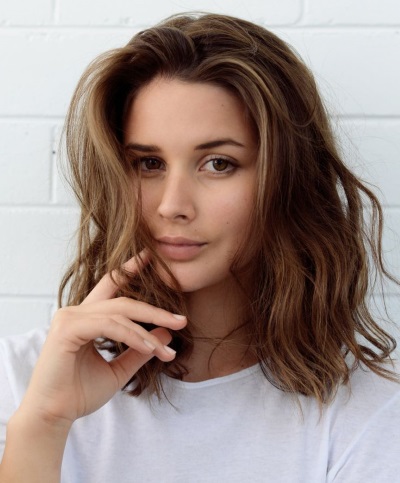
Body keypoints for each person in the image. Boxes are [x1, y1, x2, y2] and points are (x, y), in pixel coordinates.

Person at [0, 12, 399, 483]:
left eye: (218, 163)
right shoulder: (21, 379)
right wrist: (45, 423)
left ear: (286, 181)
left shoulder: (367, 407)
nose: (172, 206)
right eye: (149, 163)